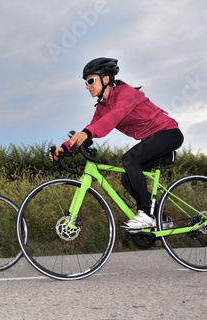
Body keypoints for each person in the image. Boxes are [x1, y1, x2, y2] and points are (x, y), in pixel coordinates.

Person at [50, 57, 184, 230]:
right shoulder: (102, 107)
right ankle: (161, 218)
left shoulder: (125, 93)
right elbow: (91, 130)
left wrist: (88, 132)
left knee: (129, 159)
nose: (87, 86)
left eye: (91, 81)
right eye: (85, 83)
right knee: (127, 179)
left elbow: (113, 118)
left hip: (168, 133)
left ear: (106, 79)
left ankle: (145, 214)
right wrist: (65, 148)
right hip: (152, 140)